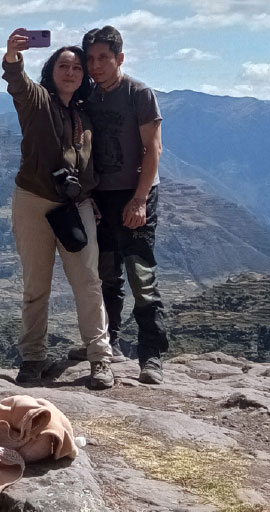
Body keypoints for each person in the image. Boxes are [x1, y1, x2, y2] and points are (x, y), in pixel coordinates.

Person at [2, 29, 114, 390]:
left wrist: (89, 194)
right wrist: (13, 56)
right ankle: (33, 359)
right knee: (36, 285)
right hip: (33, 202)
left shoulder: (86, 114)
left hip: (75, 205)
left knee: (88, 280)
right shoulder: (38, 103)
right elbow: (18, 83)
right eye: (63, 66)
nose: (71, 72)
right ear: (51, 72)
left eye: (77, 68)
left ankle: (100, 358)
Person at [80, 25, 168, 384]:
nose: (96, 65)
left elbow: (153, 149)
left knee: (140, 276)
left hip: (136, 194)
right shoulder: (89, 97)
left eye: (103, 57)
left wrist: (139, 199)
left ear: (120, 58)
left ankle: (152, 355)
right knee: (105, 275)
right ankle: (110, 343)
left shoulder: (138, 93)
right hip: (101, 197)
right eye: (91, 59)